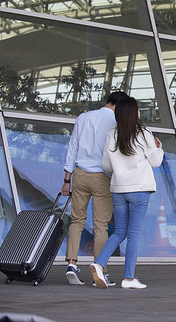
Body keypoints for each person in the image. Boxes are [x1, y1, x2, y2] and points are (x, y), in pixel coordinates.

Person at [90, 97, 164, 289]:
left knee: (119, 232)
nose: (140, 112)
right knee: (134, 234)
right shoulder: (144, 133)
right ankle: (129, 278)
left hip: (118, 189)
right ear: (133, 113)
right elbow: (155, 162)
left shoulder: (112, 134)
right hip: (139, 190)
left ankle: (98, 264)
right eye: (138, 109)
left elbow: (106, 165)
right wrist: (159, 149)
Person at [62, 91, 129, 286]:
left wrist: (67, 179)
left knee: (77, 220)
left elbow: (72, 147)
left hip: (80, 174)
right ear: (119, 105)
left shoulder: (83, 117)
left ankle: (72, 264)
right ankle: (100, 271)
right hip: (102, 177)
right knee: (101, 225)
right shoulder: (116, 124)